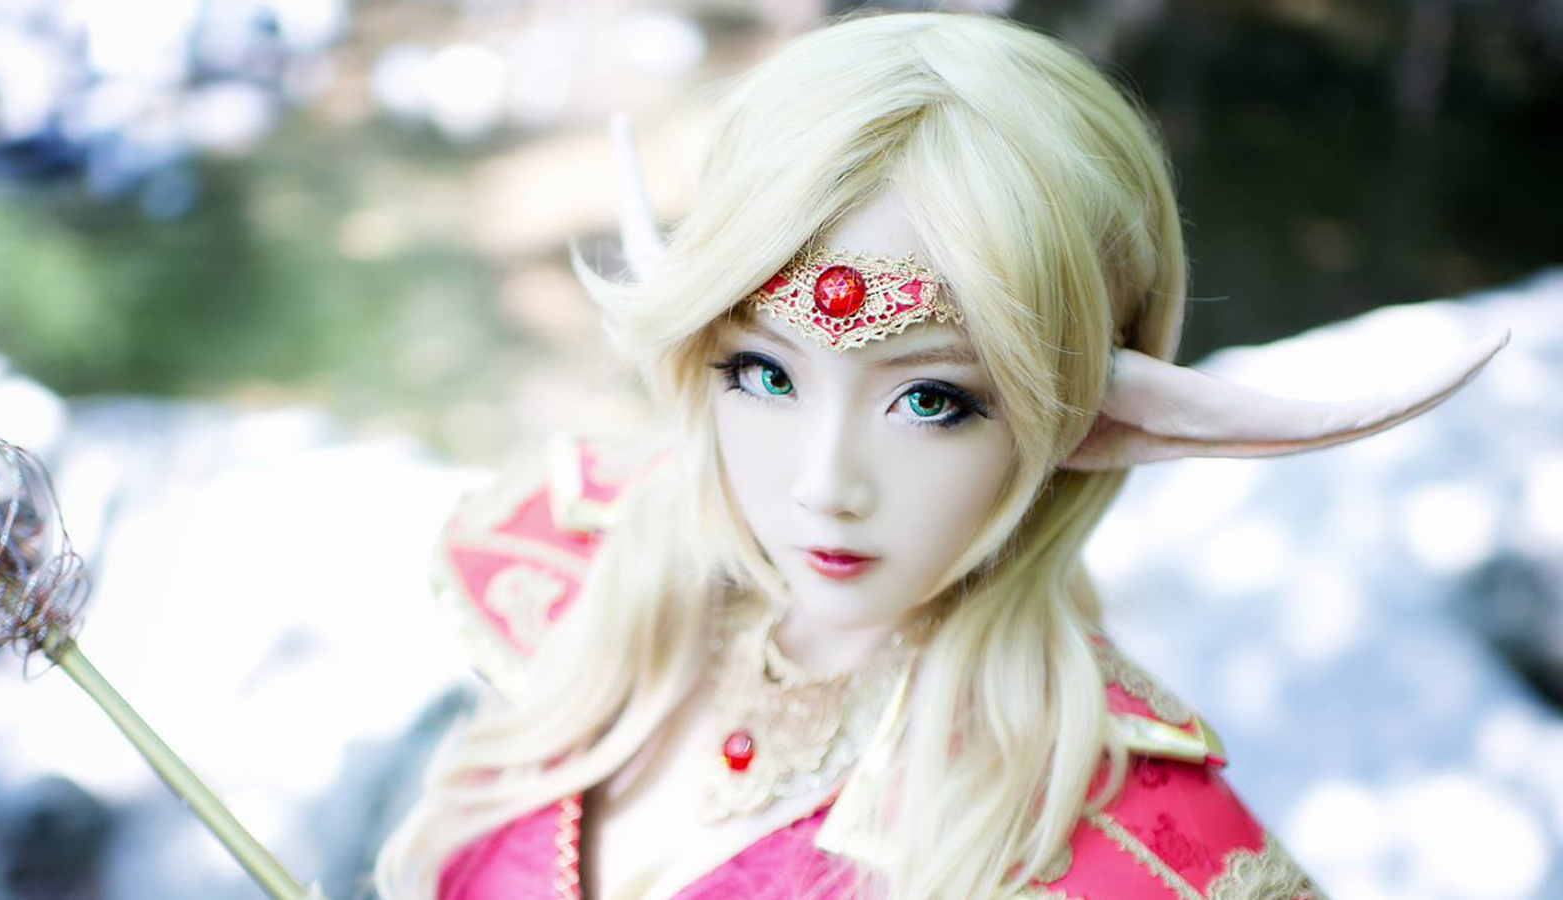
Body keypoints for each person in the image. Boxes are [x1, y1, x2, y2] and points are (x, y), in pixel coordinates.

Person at [373, 11, 1502, 900]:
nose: (823, 484)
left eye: (930, 400)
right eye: (763, 375)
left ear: (1084, 421)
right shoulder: (584, 571)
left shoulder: (1134, 847)